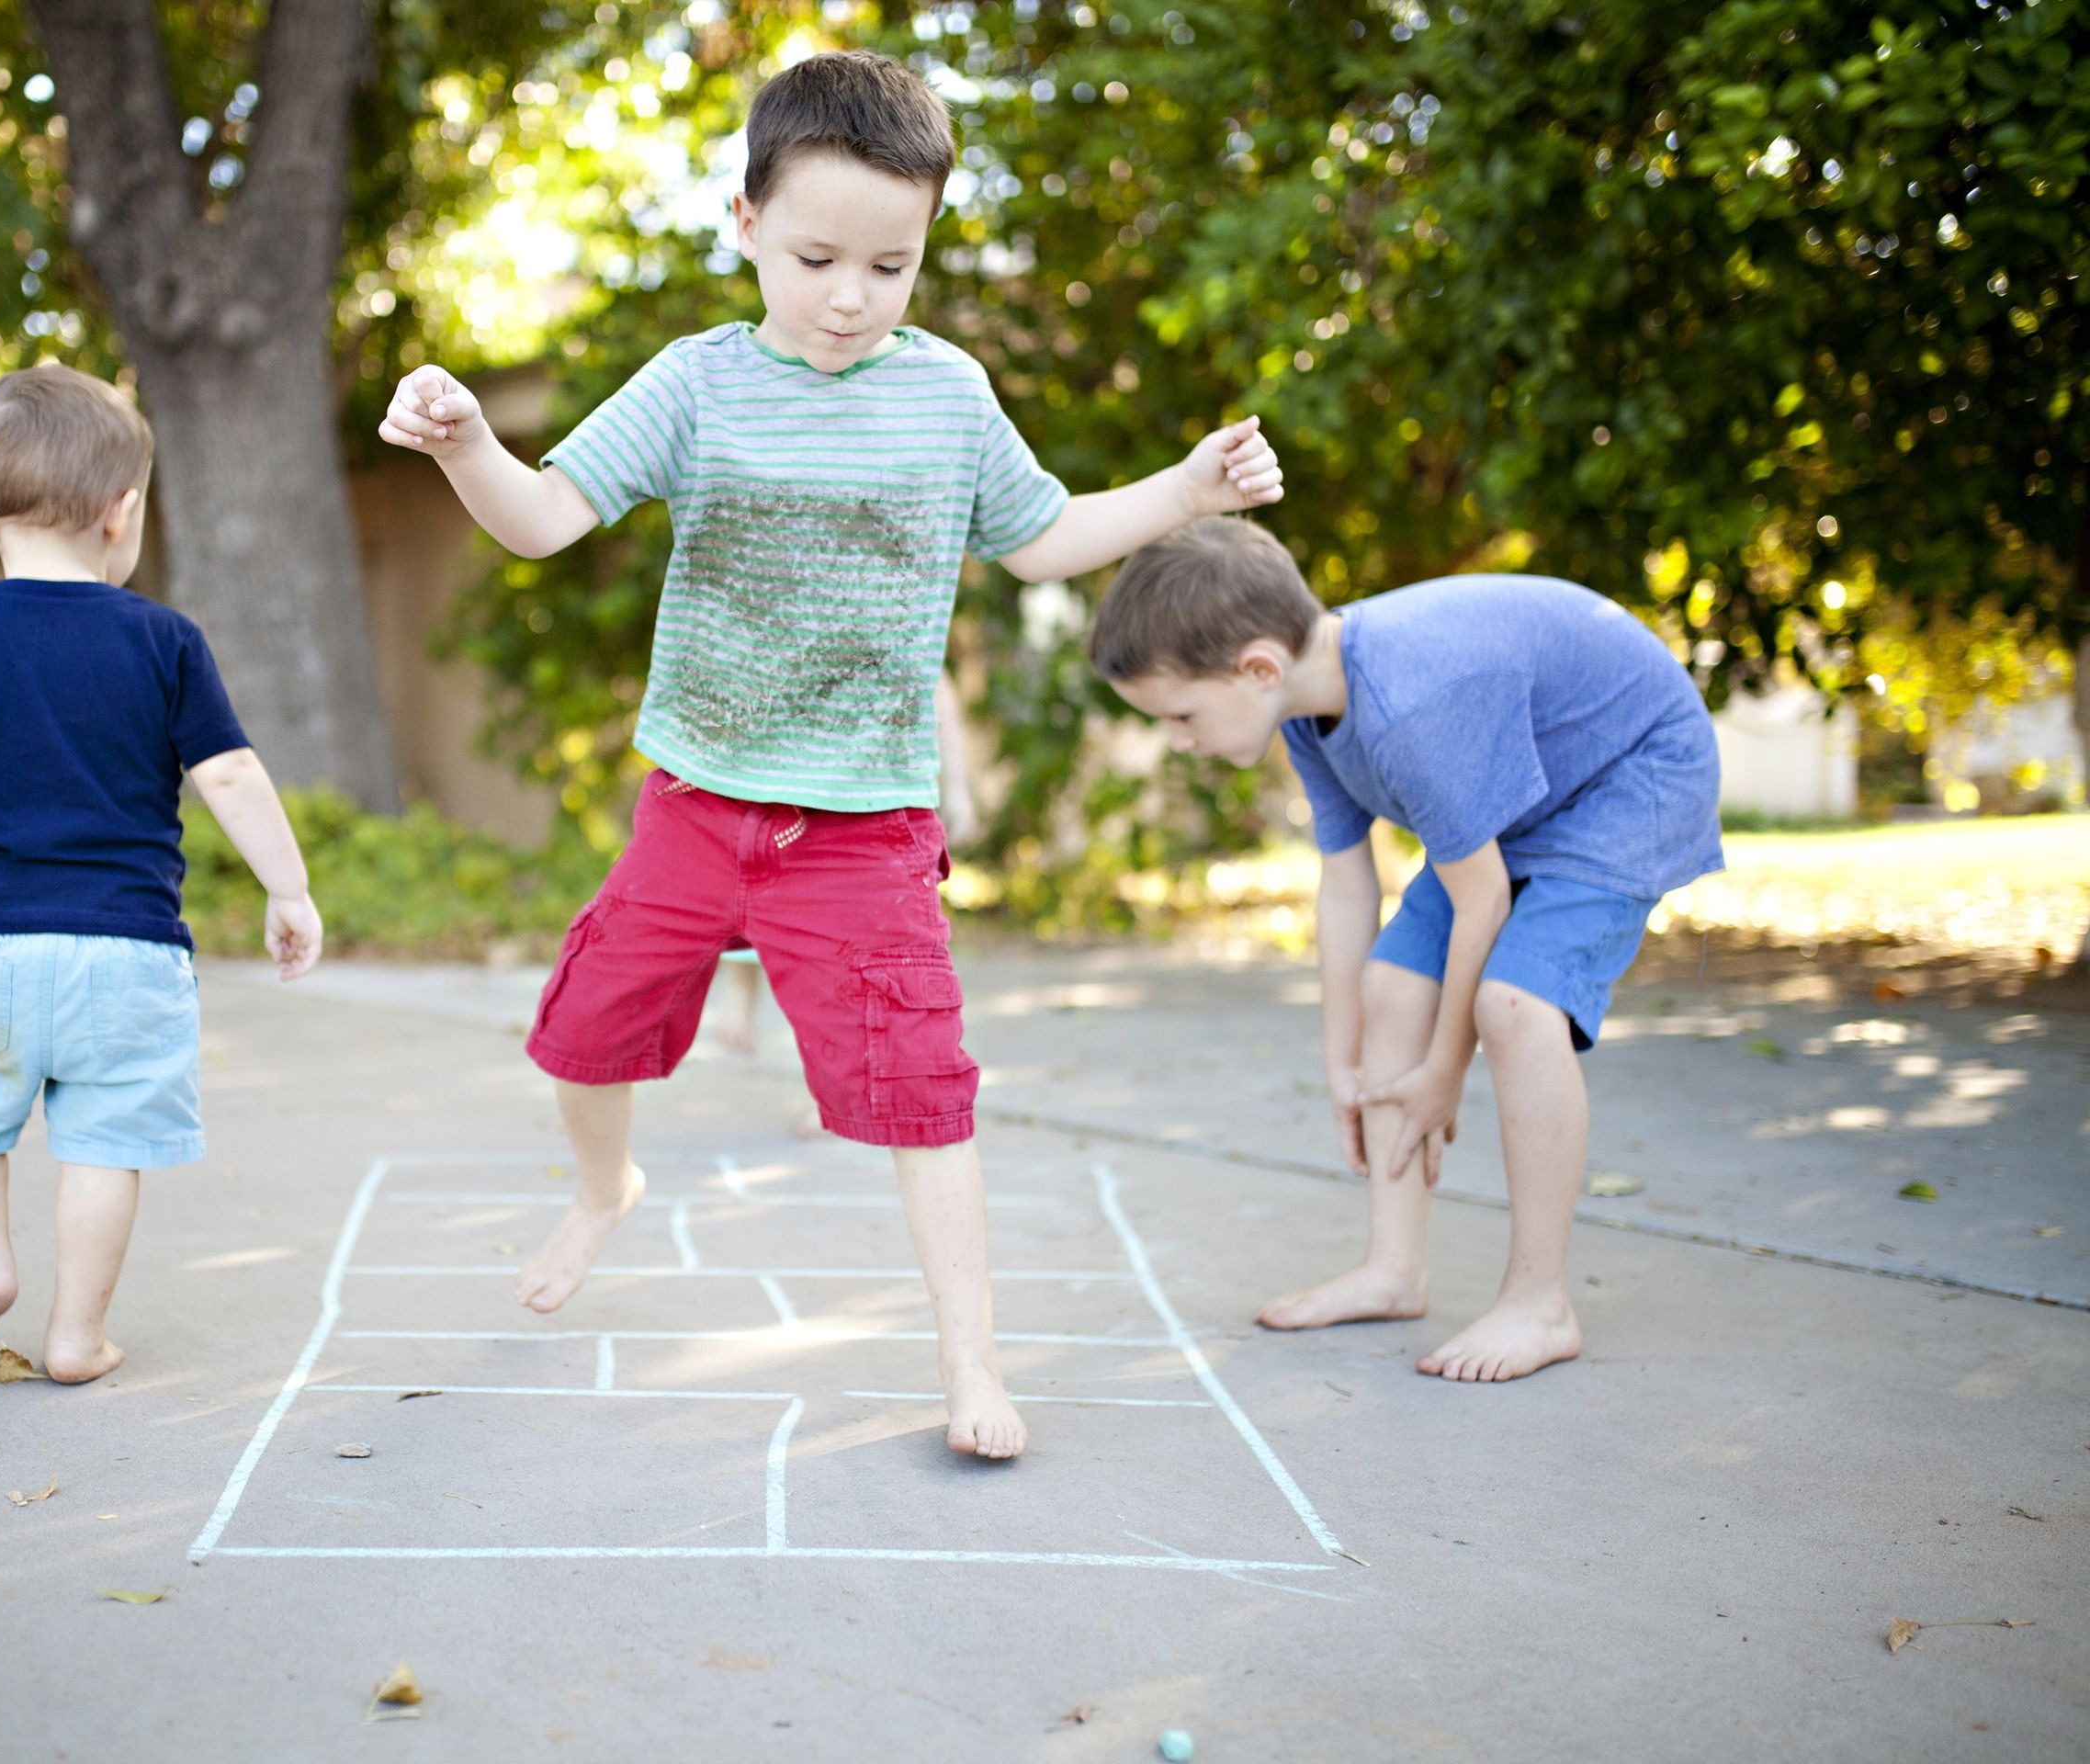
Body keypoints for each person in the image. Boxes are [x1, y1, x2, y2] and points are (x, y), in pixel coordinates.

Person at [378, 51, 1283, 1455]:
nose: (851, 296)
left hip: (861, 824)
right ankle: (603, 1188)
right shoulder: (696, 384)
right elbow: (546, 517)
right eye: (815, 257)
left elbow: (1039, 536)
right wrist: (465, 450)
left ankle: (973, 1369)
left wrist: (1184, 488)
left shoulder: (947, 395)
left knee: (928, 1095)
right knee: (582, 1031)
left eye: (891, 265)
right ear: (743, 222)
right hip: (696, 798)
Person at [1090, 516, 1722, 1382]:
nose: (1177, 738)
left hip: (1629, 775)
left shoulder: (1409, 705)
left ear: (1259, 668)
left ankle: (1541, 1302)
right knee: (1391, 987)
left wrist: (1441, 1071)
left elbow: (1483, 899)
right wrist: (1343, 1065)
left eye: (1182, 714)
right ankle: (1395, 1270)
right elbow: (1349, 886)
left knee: (1513, 1006)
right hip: (1528, 796)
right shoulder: (1309, 711)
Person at [0, 365, 324, 1385]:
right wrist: (288, 889)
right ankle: (76, 1335)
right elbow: (229, 772)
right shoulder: (162, 639)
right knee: (105, 1143)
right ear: (125, 512)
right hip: (128, 951)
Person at [711, 672, 979, 1058]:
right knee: (758, 885)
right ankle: (742, 985)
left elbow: (938, 689)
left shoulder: (903, 626)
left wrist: (957, 788)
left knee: (844, 958)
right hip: (795, 786)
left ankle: (841, 1080)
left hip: (872, 805)